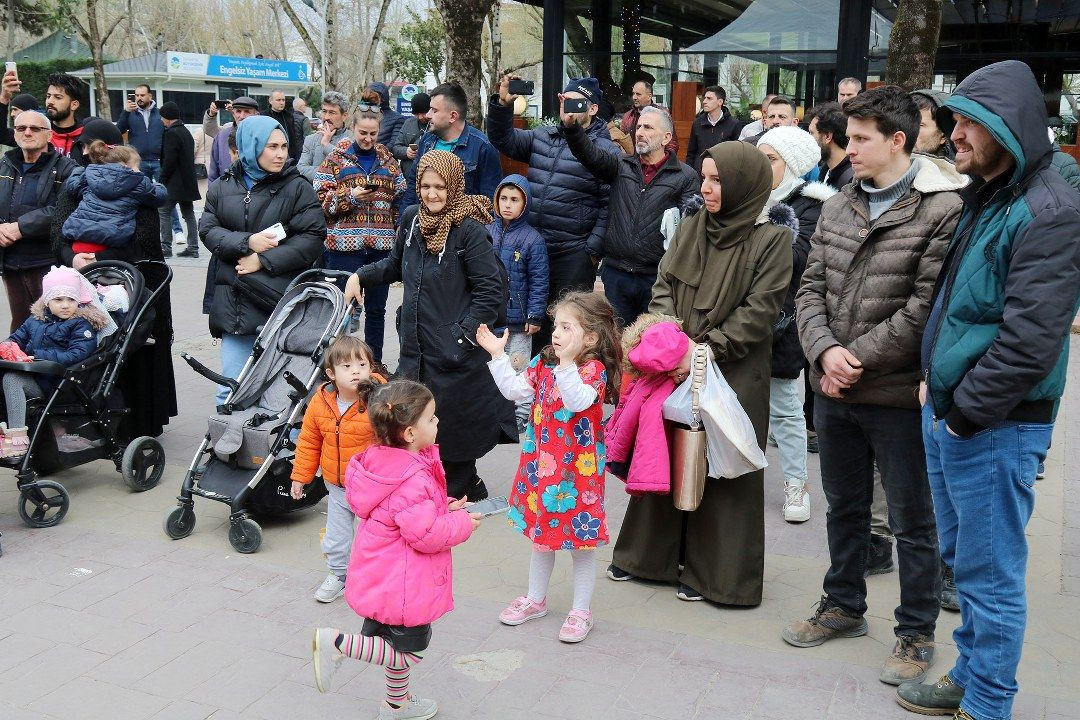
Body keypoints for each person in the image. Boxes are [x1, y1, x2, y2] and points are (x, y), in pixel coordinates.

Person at [897, 60, 1080, 720]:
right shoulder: (993, 190)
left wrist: (964, 415)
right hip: (956, 413)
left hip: (993, 425)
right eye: (955, 123)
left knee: (990, 573)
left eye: (969, 124)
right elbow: (962, 307)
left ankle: (989, 704)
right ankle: (970, 675)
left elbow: (1031, 342)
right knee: (966, 561)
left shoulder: (1049, 210)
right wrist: (934, 385)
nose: (955, 137)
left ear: (1009, 125)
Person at [785, 86, 966, 686]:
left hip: (892, 394)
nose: (847, 147)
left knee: (914, 522)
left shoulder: (940, 211)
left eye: (861, 138)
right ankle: (842, 605)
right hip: (834, 392)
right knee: (845, 509)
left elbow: (924, 309)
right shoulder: (838, 205)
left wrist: (850, 357)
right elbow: (808, 289)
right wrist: (824, 351)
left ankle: (915, 633)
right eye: (848, 136)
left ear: (897, 140)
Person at [608, 141, 792, 605]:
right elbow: (664, 285)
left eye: (717, 180)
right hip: (676, 363)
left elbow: (761, 310)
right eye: (704, 178)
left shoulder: (772, 241)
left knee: (725, 465)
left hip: (736, 369)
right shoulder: (692, 227)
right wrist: (673, 342)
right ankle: (648, 559)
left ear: (743, 186)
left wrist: (706, 351)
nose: (707, 189)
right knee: (667, 453)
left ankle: (717, 576)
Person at [344, 150, 516, 501]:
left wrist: (461, 336)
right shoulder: (411, 219)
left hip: (457, 355)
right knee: (417, 422)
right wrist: (360, 275)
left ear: (453, 187)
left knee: (453, 428)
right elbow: (394, 266)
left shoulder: (468, 230)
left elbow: (490, 290)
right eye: (425, 186)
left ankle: (457, 489)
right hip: (418, 350)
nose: (432, 194)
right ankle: (462, 485)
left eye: (439, 186)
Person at [312, 379, 481, 720]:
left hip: (383, 575)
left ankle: (395, 706)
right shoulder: (412, 477)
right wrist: (462, 524)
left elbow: (403, 511)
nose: (437, 423)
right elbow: (426, 534)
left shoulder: (381, 462)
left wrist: (442, 506)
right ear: (409, 433)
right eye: (431, 419)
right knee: (409, 652)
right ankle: (336, 644)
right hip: (405, 583)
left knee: (391, 645)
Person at [477, 291, 621, 643]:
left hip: (577, 474)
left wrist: (567, 364)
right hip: (542, 467)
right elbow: (515, 391)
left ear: (590, 337)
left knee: (579, 543)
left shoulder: (593, 371)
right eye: (556, 325)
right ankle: (536, 599)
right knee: (542, 538)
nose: (556, 333)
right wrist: (498, 356)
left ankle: (581, 611)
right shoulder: (544, 363)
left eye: (566, 327)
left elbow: (577, 400)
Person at [52, 119, 178, 441]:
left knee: (133, 352)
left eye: (90, 145)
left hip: (135, 282)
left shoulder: (123, 184)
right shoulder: (80, 186)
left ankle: (135, 427)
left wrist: (98, 256)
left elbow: (147, 238)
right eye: (82, 146)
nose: (85, 152)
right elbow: (59, 232)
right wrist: (74, 259)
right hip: (85, 279)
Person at [199, 115, 325, 407]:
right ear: (250, 145)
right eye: (272, 147)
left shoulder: (297, 186)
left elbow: (313, 236)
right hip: (234, 302)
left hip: (278, 301)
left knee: (280, 394)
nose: (281, 154)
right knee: (230, 388)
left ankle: (278, 451)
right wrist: (247, 242)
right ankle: (225, 450)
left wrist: (263, 259)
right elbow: (207, 230)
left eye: (283, 146)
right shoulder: (222, 186)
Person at [487, 75, 616, 348]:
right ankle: (532, 384)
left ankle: (562, 386)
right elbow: (503, 139)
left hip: (571, 253)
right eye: (563, 99)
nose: (566, 106)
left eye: (574, 102)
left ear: (592, 109)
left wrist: (591, 251)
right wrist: (502, 105)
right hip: (533, 248)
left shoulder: (604, 149)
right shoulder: (543, 136)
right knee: (530, 323)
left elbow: (609, 204)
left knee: (567, 328)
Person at [756, 126, 836, 523]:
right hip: (741, 319)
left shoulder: (811, 205)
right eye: (760, 157)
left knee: (786, 410)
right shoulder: (747, 196)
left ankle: (795, 484)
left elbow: (798, 258)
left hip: (784, 321)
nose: (762, 166)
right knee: (734, 406)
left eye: (771, 159)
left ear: (794, 164)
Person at [563, 105, 698, 327]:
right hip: (618, 274)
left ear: (666, 137)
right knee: (618, 343)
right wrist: (572, 128)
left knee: (651, 345)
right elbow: (590, 155)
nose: (640, 132)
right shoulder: (621, 165)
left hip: (657, 279)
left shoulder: (685, 177)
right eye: (638, 127)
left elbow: (689, 230)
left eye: (648, 127)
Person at [290, 336, 387, 603]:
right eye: (346, 366)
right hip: (337, 487)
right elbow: (309, 441)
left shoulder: (380, 401)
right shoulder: (320, 403)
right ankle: (339, 575)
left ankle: (374, 579)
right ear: (331, 374)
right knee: (336, 537)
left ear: (371, 368)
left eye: (362, 364)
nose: (356, 370)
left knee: (374, 538)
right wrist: (301, 476)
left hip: (372, 490)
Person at [314, 106, 406, 363]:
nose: (367, 138)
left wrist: (397, 225)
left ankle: (374, 364)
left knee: (377, 310)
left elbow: (401, 194)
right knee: (343, 311)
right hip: (344, 248)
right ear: (353, 129)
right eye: (363, 132)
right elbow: (323, 203)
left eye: (373, 133)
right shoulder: (335, 159)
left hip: (380, 247)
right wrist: (350, 197)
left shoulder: (388, 160)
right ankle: (339, 363)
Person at [0, 265, 111, 458]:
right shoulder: (35, 320)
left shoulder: (81, 324)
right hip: (38, 377)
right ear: (46, 300)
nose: (65, 305)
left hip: (61, 384)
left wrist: (39, 354)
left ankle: (17, 439)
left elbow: (78, 354)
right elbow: (16, 339)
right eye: (58, 299)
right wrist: (8, 347)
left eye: (71, 299)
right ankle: (7, 430)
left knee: (12, 379)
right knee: (5, 374)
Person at [0, 111, 78, 332]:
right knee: (21, 324)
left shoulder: (67, 168)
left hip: (47, 260)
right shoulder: (5, 164)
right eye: (21, 128)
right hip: (11, 261)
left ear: (49, 135)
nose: (27, 132)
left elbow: (65, 209)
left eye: (35, 128)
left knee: (52, 324)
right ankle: (17, 364)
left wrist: (21, 227)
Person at [485, 174, 549, 433]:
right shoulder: (486, 232)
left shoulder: (533, 240)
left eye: (514, 199)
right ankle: (493, 413)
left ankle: (521, 417)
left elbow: (539, 279)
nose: (507, 204)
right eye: (503, 198)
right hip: (492, 319)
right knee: (493, 366)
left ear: (525, 204)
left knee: (520, 368)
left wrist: (535, 315)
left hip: (520, 323)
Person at [401, 83, 502, 209]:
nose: (428, 115)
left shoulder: (483, 147)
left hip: (464, 226)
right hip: (423, 224)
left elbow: (489, 202)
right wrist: (403, 222)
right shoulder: (426, 141)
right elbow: (413, 185)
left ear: (453, 116)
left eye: (434, 110)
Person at [59, 141, 168, 257]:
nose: (140, 171)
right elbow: (159, 196)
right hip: (110, 242)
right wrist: (158, 185)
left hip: (79, 240)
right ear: (125, 165)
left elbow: (72, 186)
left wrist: (78, 171)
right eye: (137, 166)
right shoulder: (138, 182)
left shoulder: (89, 177)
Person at [158, 102, 202, 258]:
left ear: (168, 118)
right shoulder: (185, 132)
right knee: (188, 214)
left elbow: (169, 161)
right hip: (188, 181)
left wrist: (161, 179)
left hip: (174, 183)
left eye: (162, 117)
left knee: (163, 211)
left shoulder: (171, 133)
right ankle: (193, 248)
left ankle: (166, 247)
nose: (161, 120)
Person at [203, 96, 261, 183]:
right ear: (233, 113)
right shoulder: (221, 136)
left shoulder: (264, 135)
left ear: (256, 115)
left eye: (247, 112)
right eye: (238, 111)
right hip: (226, 192)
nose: (242, 116)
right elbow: (213, 174)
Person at [685, 85, 742, 172]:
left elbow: (737, 154)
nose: (704, 101)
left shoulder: (733, 124)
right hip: (700, 173)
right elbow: (691, 153)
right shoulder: (697, 123)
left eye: (709, 98)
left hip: (723, 173)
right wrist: (689, 173)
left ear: (720, 102)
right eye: (704, 98)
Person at [299, 92, 351, 182]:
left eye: (332, 112)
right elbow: (301, 169)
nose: (326, 117)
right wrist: (330, 174)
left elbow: (350, 171)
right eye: (324, 111)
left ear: (344, 116)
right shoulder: (311, 139)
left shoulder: (353, 140)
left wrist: (326, 145)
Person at [619, 79, 678, 155]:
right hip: (633, 163)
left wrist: (664, 161)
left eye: (638, 94)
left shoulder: (662, 114)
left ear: (649, 96)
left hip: (657, 163)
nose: (634, 97)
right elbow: (621, 141)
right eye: (633, 94)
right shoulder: (627, 117)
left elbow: (672, 142)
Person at [44, 73, 94, 157]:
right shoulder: (39, 133)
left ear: (74, 105)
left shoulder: (87, 137)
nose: (50, 101)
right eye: (48, 96)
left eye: (58, 97)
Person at [806, 102, 854, 190]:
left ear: (827, 136)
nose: (807, 138)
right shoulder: (825, 171)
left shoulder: (852, 181)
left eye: (811, 133)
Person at [390, 92, 430, 189]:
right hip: (409, 179)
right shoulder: (408, 124)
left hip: (430, 178)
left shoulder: (437, 125)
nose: (420, 117)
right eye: (417, 114)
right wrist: (406, 152)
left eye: (423, 113)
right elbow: (395, 148)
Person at [909, 90, 954, 159]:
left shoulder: (956, 169)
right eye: (906, 122)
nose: (907, 131)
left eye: (919, 125)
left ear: (943, 136)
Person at [266, 89, 304, 162]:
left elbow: (293, 137)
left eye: (283, 100)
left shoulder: (289, 116)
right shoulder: (264, 116)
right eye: (278, 100)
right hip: (271, 154)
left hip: (289, 154)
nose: (282, 103)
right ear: (270, 101)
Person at [367, 82, 406, 148]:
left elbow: (394, 144)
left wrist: (376, 153)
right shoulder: (363, 115)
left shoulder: (397, 118)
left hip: (383, 156)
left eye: (374, 97)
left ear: (382, 99)